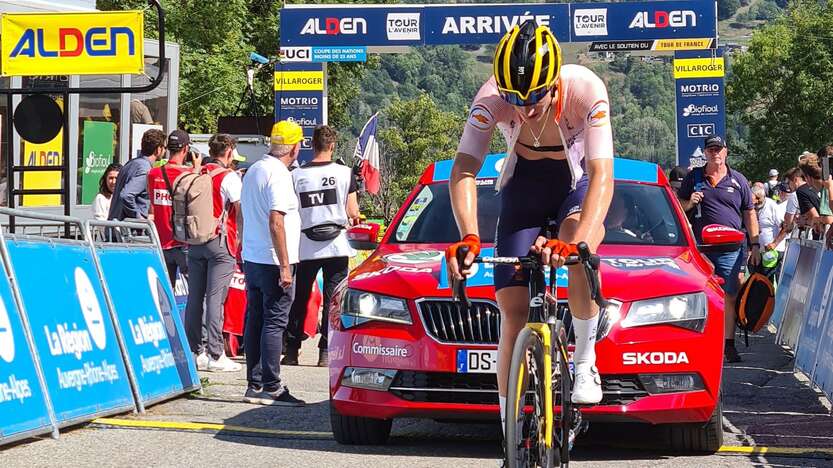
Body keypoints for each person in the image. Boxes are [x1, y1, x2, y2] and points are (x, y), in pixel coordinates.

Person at [446, 20, 615, 423]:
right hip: (524, 188)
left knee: (576, 240)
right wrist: (468, 234)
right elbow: (464, 169)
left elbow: (603, 177)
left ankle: (586, 358)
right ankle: (509, 427)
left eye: (536, 96)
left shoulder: (586, 89)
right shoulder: (490, 98)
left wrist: (577, 247)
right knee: (513, 311)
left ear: (555, 81)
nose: (526, 108)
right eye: (515, 99)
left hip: (574, 184)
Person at [677, 135, 760, 363]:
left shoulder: (738, 180)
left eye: (718, 149)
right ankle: (700, 344)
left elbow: (749, 212)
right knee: (699, 297)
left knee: (729, 296)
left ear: (726, 152)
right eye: (711, 149)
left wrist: (755, 244)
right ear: (705, 153)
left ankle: (728, 345)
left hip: (730, 249)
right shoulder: (693, 177)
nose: (715, 153)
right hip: (700, 249)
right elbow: (678, 208)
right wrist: (689, 202)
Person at [240, 121, 305, 406]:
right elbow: (276, 221)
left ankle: (253, 383)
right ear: (294, 146)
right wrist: (284, 265)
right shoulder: (278, 175)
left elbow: (243, 213)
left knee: (255, 318)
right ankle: (272, 385)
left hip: (253, 255)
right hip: (271, 258)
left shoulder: (254, 169)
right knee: (274, 320)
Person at [284, 125, 360, 367]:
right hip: (336, 244)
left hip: (305, 244)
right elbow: (352, 211)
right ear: (333, 145)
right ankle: (326, 352)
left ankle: (292, 350)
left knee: (301, 297)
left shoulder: (296, 175)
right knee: (332, 300)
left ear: (311, 145)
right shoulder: (345, 173)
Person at [183, 133, 243, 373]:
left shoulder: (197, 172)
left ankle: (194, 350)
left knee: (195, 298)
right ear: (228, 151)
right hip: (220, 241)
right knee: (216, 299)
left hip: (194, 240)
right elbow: (240, 211)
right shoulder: (228, 177)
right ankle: (216, 354)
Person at [147, 130, 194, 289]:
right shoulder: (190, 174)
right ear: (186, 149)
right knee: (197, 294)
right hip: (184, 242)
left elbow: (152, 205)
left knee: (165, 296)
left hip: (161, 242)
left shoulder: (153, 174)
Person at [109, 129, 165, 220]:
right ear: (158, 149)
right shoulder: (144, 169)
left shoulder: (131, 163)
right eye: (164, 147)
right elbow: (126, 195)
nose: (165, 151)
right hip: (129, 231)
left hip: (117, 227)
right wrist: (139, 217)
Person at [752, 184, 785, 279]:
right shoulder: (751, 207)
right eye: (755, 198)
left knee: (767, 279)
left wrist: (774, 243)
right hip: (757, 251)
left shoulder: (772, 206)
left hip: (772, 251)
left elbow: (785, 227)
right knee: (756, 279)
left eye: (759, 198)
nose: (757, 201)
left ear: (764, 196)